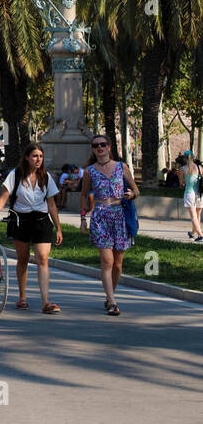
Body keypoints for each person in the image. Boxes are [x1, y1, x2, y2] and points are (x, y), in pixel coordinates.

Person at [0, 142, 64, 313]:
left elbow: (52, 205)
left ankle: (45, 302)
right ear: (26, 158)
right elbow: (4, 196)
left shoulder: (46, 177)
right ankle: (22, 297)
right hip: (20, 219)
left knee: (42, 258)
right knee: (22, 259)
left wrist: (58, 227)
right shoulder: (15, 175)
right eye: (35, 156)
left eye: (41, 156)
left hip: (41, 220)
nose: (38, 159)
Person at [82, 135, 138, 316]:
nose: (99, 148)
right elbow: (83, 195)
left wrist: (132, 194)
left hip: (119, 215)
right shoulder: (89, 171)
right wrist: (83, 218)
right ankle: (113, 302)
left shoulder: (122, 167)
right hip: (100, 216)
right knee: (107, 261)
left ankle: (109, 295)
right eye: (96, 145)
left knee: (118, 264)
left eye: (103, 144)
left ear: (109, 147)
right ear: (93, 149)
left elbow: (136, 189)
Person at [180, 152, 202, 242]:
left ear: (185, 158)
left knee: (193, 216)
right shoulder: (200, 168)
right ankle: (193, 233)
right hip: (200, 194)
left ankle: (200, 235)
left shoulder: (183, 169)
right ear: (193, 158)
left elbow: (181, 183)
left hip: (189, 193)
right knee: (198, 215)